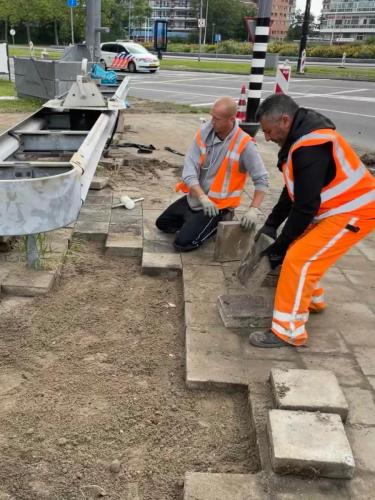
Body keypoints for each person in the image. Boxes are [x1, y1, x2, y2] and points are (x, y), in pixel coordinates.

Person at [249, 94, 375, 348]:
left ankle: (288, 331)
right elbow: (292, 190)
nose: (268, 137)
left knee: (298, 258)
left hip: (355, 211)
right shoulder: (300, 139)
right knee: (303, 250)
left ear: (285, 120)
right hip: (334, 209)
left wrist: (280, 247)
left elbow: (305, 206)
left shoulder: (311, 146)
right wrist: (272, 225)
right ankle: (312, 300)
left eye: (269, 131)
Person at [155, 96, 269, 251]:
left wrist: (253, 209)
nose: (212, 122)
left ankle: (216, 222)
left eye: (217, 119)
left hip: (218, 207)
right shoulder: (204, 133)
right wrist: (201, 196)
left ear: (231, 119)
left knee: (183, 244)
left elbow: (261, 178)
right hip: (198, 199)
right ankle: (194, 221)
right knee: (162, 224)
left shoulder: (244, 144)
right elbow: (189, 171)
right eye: (212, 117)